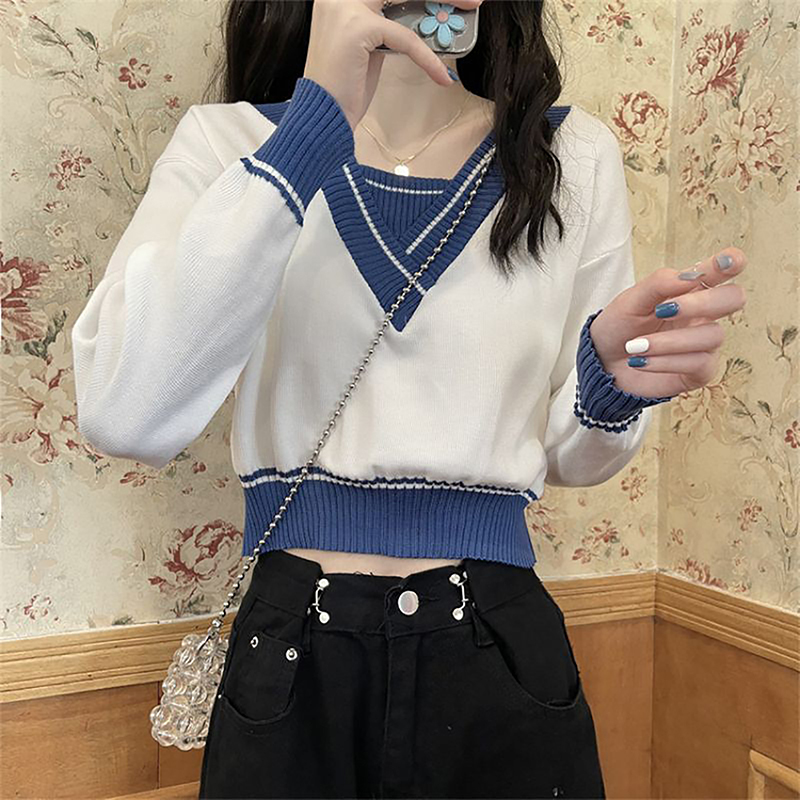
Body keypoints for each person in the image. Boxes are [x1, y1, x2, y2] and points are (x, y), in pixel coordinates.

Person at [70, 0, 745, 796]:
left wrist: (606, 385)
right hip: (293, 655)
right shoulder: (232, 144)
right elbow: (125, 410)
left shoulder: (571, 155)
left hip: (497, 647)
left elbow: (570, 455)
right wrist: (313, 127)